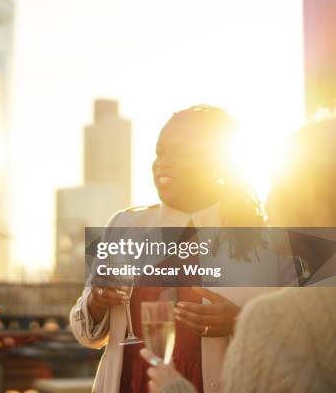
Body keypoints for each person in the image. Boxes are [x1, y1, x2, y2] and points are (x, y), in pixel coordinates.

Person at [70, 105, 281, 393]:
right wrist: (96, 300)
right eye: (160, 152)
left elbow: (298, 344)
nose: (163, 163)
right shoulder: (124, 225)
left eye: (181, 153)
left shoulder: (266, 243)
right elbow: (86, 334)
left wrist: (240, 322)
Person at [140, 120, 336, 392]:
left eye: (276, 184)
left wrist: (172, 386)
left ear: (308, 197)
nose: (267, 200)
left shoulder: (276, 318)